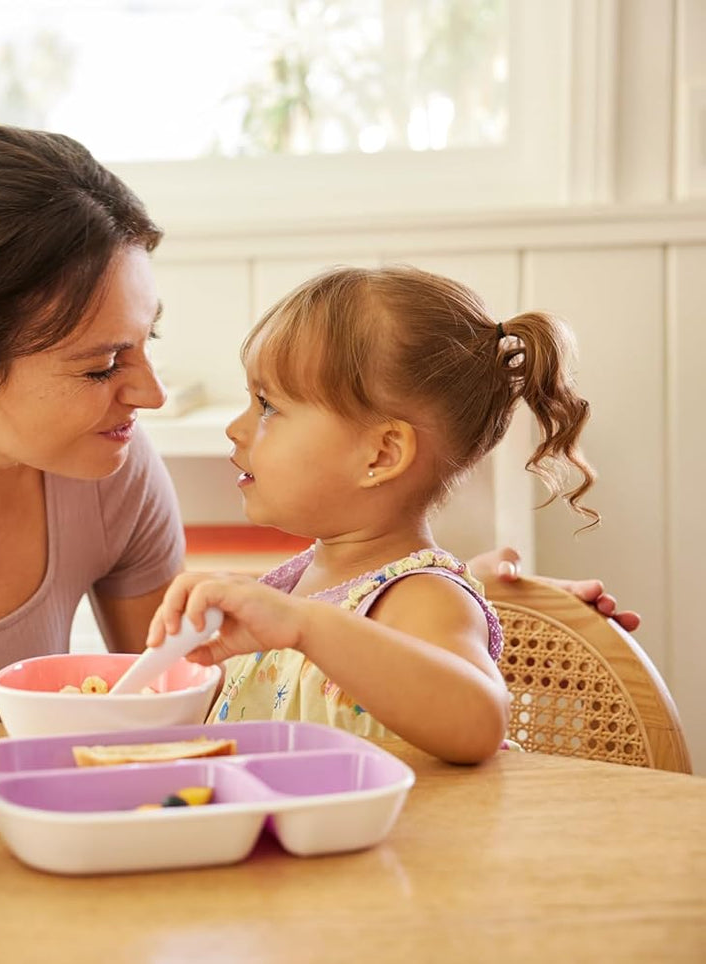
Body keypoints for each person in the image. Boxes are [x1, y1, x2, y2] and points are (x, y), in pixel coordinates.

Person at [0, 123, 635, 729]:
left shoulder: (105, 469)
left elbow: (185, 683)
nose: (143, 395)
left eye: (143, 342)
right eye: (99, 364)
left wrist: (449, 592)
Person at [146, 265, 600, 763]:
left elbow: (478, 725)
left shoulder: (422, 598)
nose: (236, 427)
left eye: (267, 406)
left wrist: (306, 625)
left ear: (381, 454)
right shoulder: (296, 585)